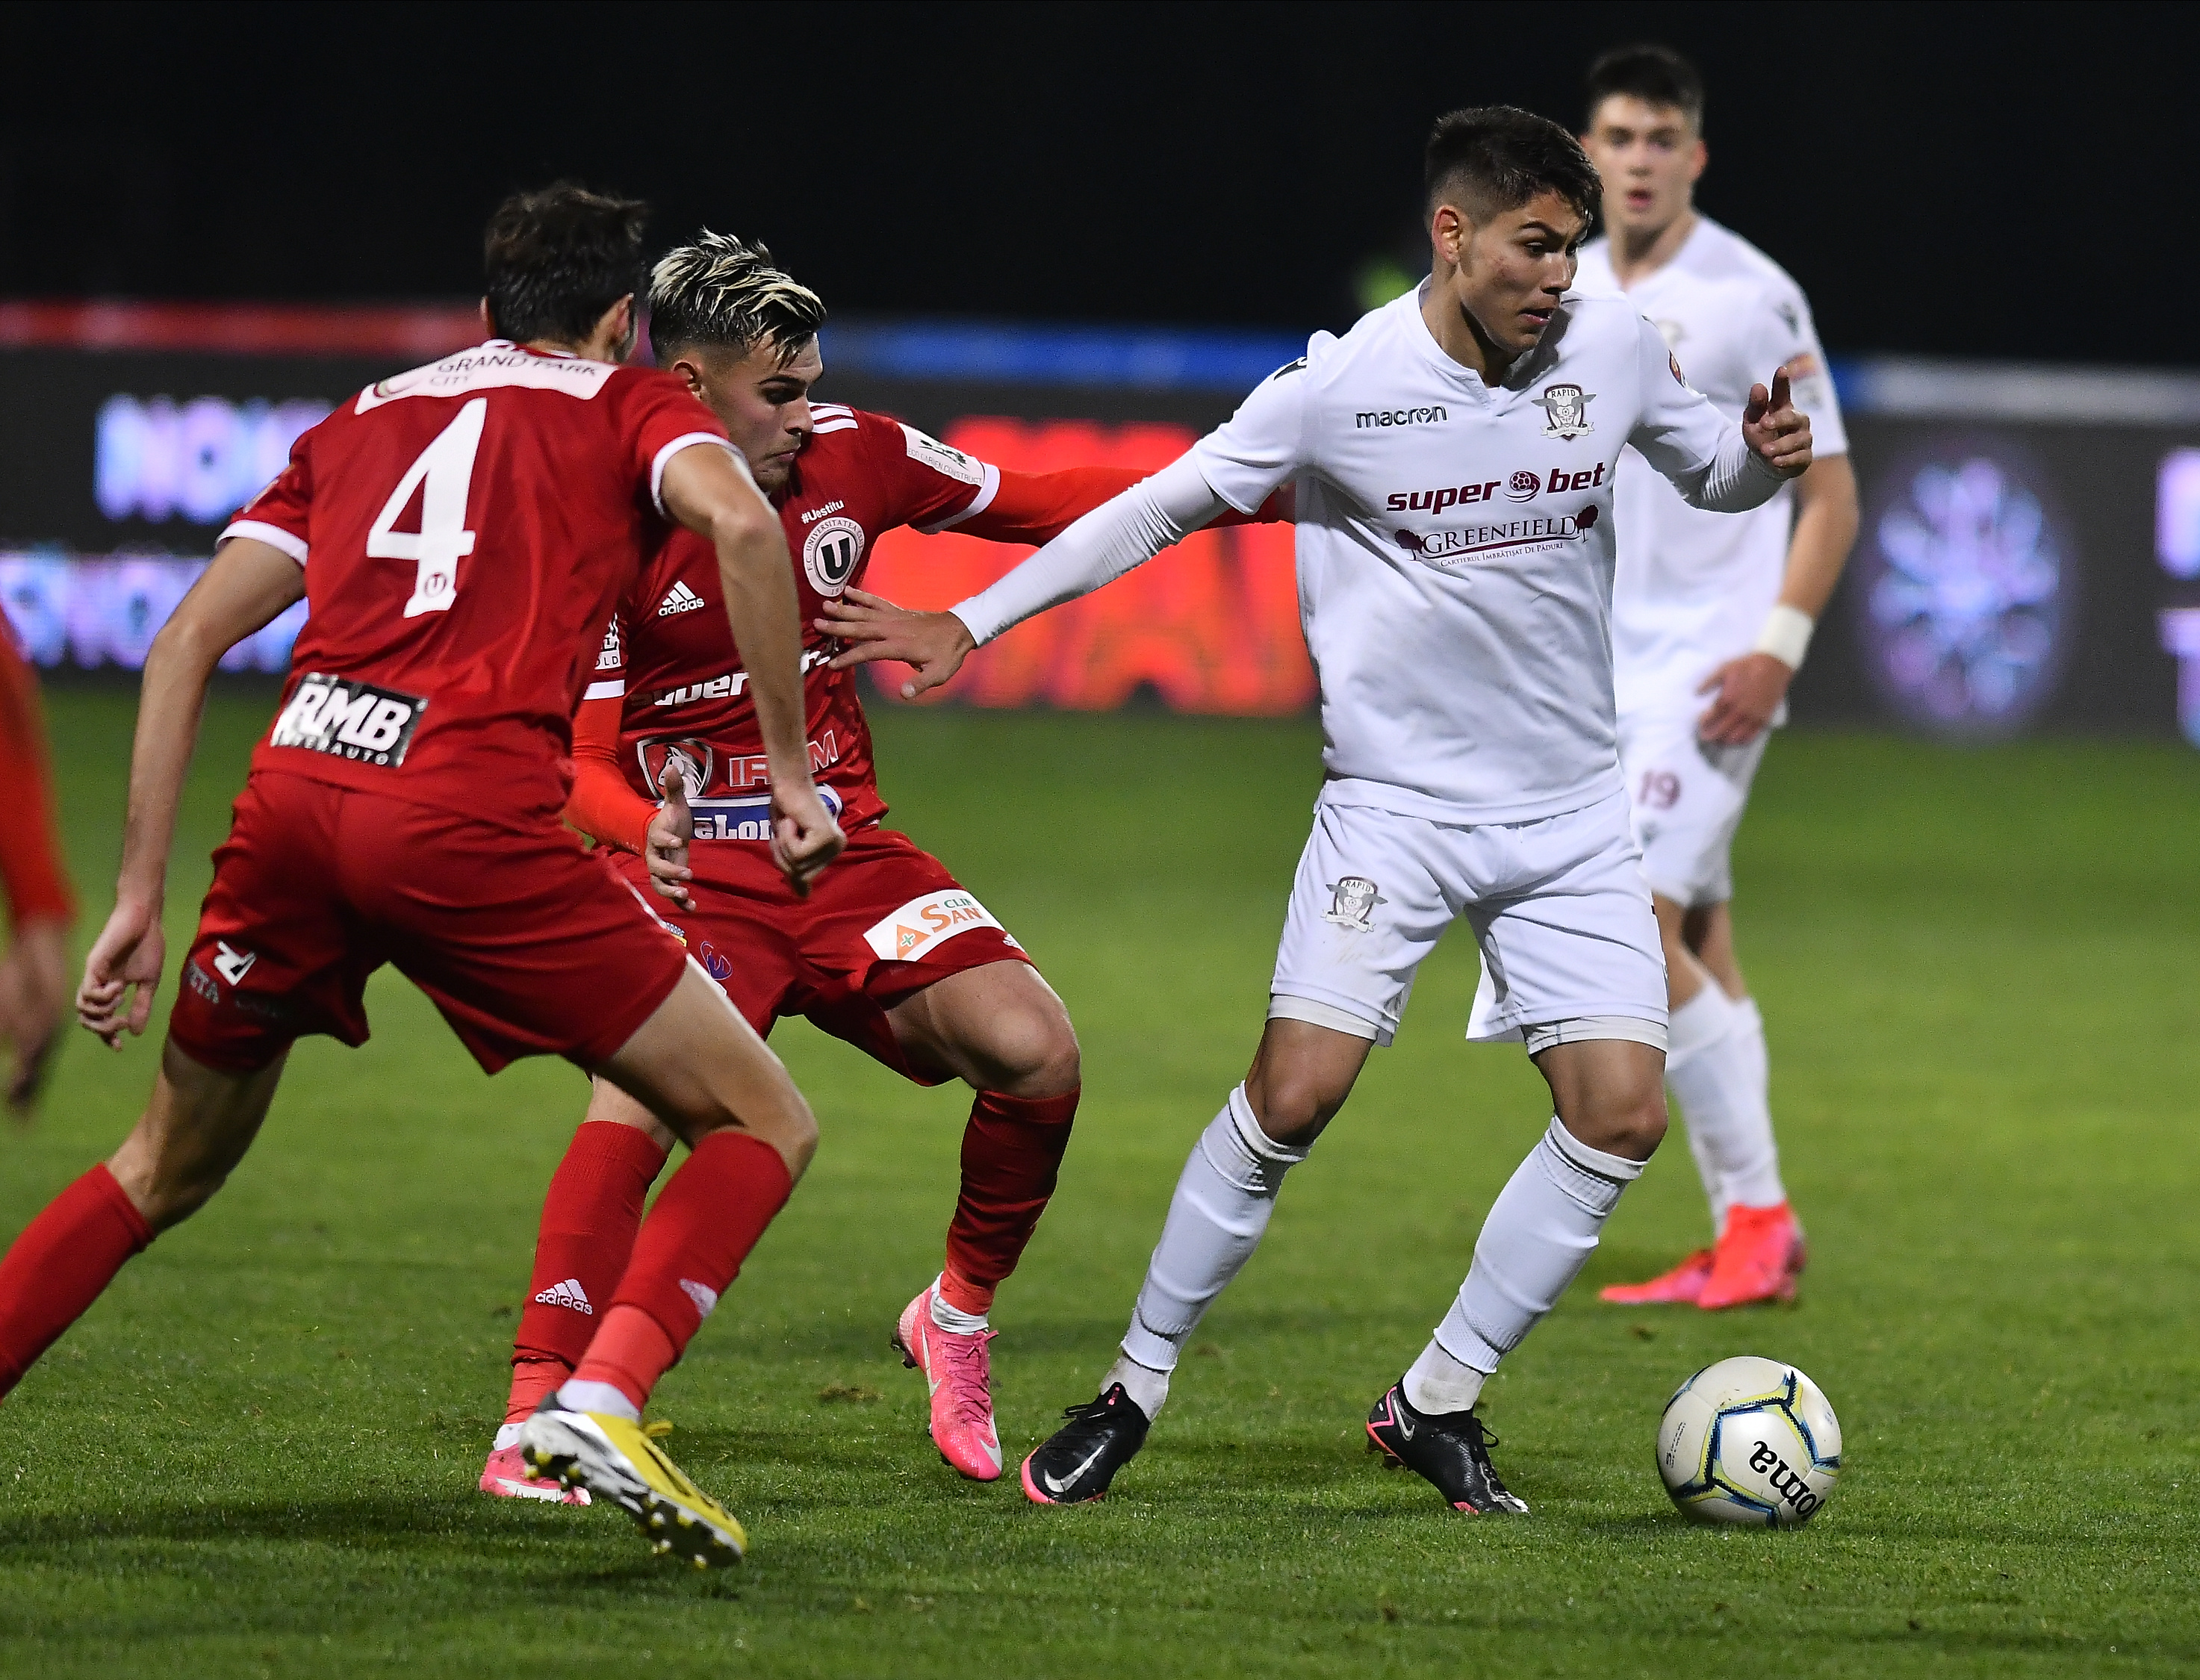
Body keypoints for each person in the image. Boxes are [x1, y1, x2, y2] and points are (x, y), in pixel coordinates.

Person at [820, 106, 1812, 1513]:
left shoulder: (1609, 348)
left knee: (1620, 1116)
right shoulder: (1337, 393)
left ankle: (1437, 1399)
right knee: (1295, 1095)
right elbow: (1155, 510)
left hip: (1569, 811)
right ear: (1453, 234)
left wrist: (1760, 457)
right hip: (1396, 810)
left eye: (1575, 250)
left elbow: (1706, 470)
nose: (1559, 277)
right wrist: (967, 622)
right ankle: (1131, 1390)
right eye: (1535, 245)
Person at [0, 185, 844, 1569]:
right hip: (458, 819)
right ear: (625, 323)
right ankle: (598, 1402)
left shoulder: (361, 418)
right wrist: (795, 779)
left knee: (159, 1164)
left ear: (483, 314)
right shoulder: (626, 409)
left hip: (292, 799)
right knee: (763, 1117)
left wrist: (137, 897)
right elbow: (748, 530)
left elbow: (183, 642)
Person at [482, 231, 1286, 1501]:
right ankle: (531, 1418)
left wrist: (1253, 480)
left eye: (812, 383)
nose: (809, 416)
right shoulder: (602, 511)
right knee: (634, 1109)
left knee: (1038, 1054)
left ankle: (955, 1315)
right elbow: (571, 765)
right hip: (692, 872)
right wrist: (649, 835)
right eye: (779, 393)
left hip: (842, 854)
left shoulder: (861, 452)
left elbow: (1041, 497)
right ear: (687, 388)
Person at [1544, 45, 1857, 1310]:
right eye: (1616, 137)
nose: (1635, 161)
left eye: (1659, 140)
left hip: (1713, 666)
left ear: (1694, 157)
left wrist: (1774, 651)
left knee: (1635, 925)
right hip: (1601, 668)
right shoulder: (1560, 293)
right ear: (1588, 148)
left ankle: (1762, 1219)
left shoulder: (1751, 296)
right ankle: (1751, 1234)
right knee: (1706, 942)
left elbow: (1830, 494)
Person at [0, 627, 74, 1114]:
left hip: (17, 780)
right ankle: (34, 1044)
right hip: (19, 783)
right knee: (45, 929)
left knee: (44, 930)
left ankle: (34, 1044)